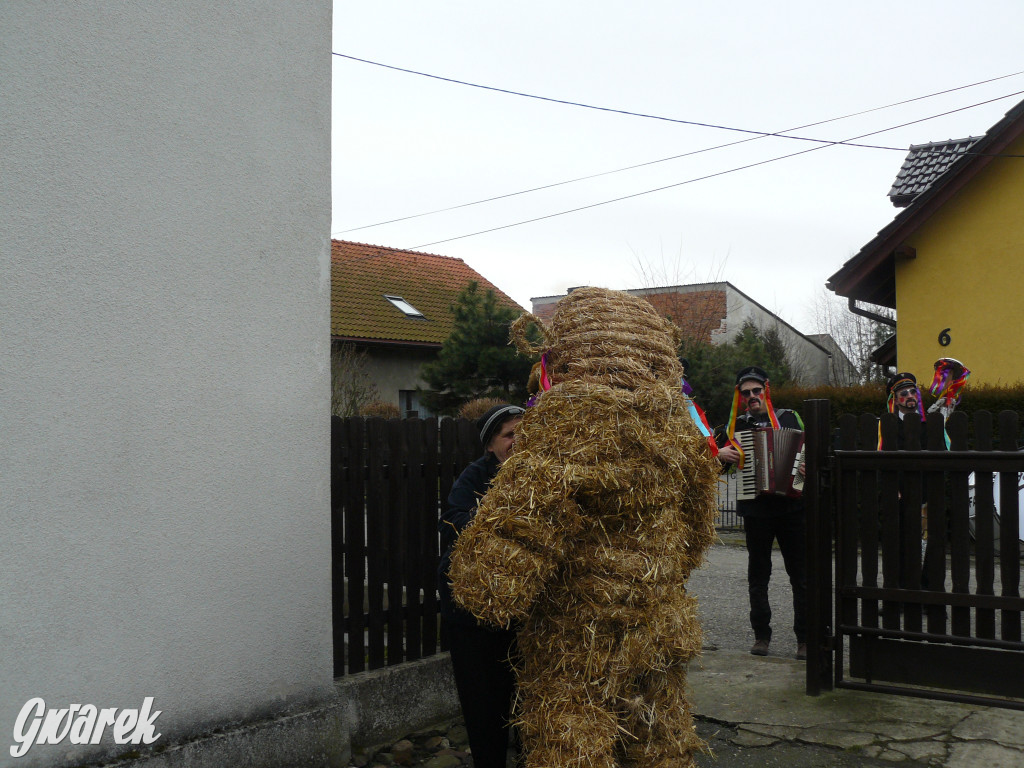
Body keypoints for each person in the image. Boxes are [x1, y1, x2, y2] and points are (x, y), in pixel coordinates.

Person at [438, 403, 524, 768]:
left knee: (527, 701)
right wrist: (500, 514)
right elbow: (454, 522)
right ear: (491, 445)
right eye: (509, 435)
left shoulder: (542, 476)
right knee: (484, 702)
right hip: (473, 614)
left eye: (523, 433)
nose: (518, 441)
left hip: (520, 611)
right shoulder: (475, 477)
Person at [717, 366, 807, 660]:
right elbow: (715, 464)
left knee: (800, 575)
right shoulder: (735, 428)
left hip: (791, 507)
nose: (752, 397)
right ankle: (761, 636)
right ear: (740, 397)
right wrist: (720, 454)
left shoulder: (789, 418)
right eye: (746, 393)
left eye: (757, 391)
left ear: (766, 391)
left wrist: (807, 467)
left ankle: (804, 639)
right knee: (758, 574)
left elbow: (812, 450)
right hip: (756, 510)